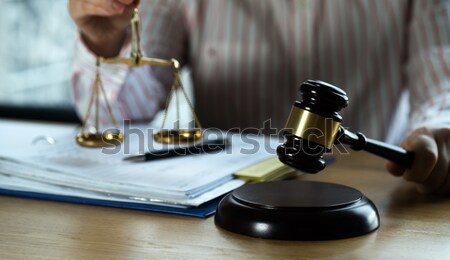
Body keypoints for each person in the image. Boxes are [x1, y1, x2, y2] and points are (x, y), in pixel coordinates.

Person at [68, 0, 450, 194]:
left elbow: (441, 86)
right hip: (218, 215)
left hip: (370, 198)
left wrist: (438, 133)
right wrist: (105, 42)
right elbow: (121, 114)